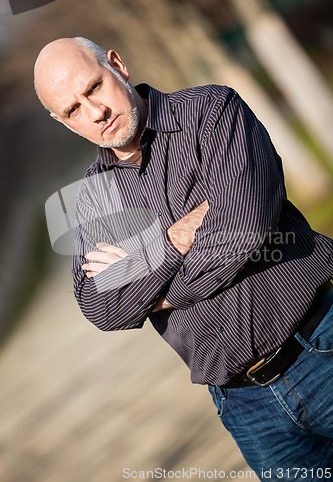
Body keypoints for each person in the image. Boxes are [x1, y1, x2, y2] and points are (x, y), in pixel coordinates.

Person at [34, 37, 333, 480]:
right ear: (62, 122)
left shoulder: (210, 113)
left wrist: (146, 282)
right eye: (73, 110)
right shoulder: (97, 199)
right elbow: (102, 307)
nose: (96, 112)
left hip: (320, 349)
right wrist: (170, 241)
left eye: (94, 87)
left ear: (117, 64)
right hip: (246, 408)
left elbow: (242, 232)